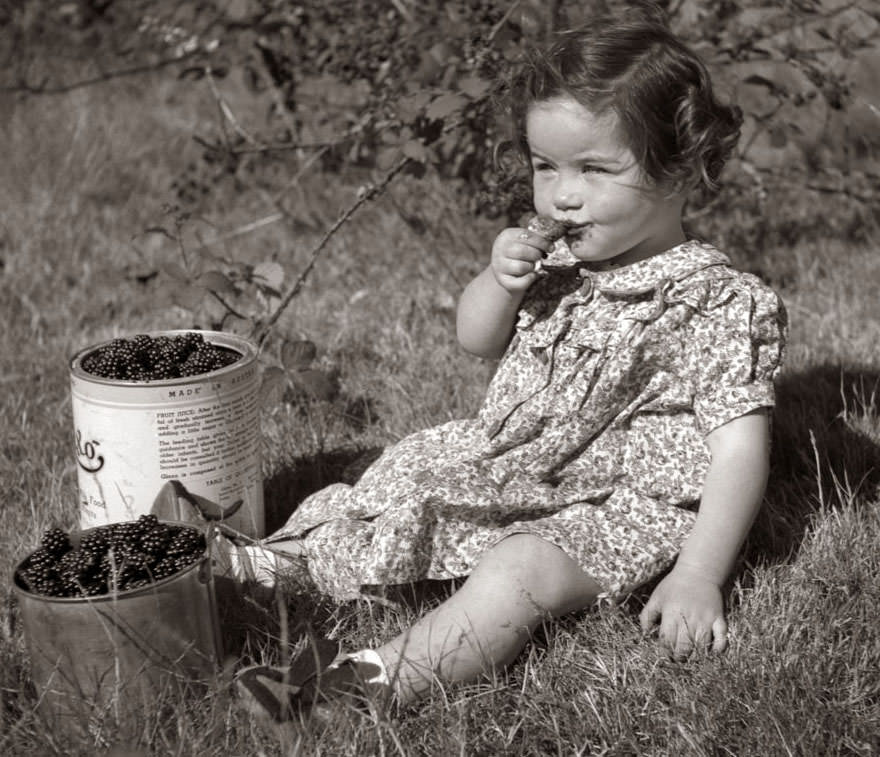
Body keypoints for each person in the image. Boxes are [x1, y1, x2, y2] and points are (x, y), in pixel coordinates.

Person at [230, 4, 787, 727]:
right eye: (544, 166)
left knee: (517, 573)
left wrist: (699, 573)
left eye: (593, 168)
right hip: (521, 462)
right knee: (406, 481)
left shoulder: (715, 302)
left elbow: (742, 449)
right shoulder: (555, 262)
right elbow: (476, 339)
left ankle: (359, 686)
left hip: (620, 506)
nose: (560, 193)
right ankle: (261, 568)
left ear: (681, 169)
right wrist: (499, 281)